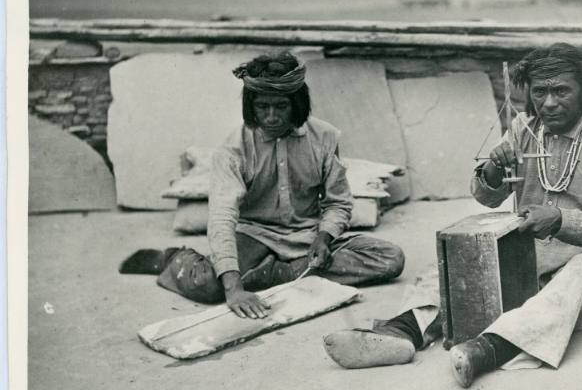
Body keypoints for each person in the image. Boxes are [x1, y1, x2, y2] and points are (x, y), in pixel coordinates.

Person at [323, 43, 582, 387]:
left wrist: (560, 219)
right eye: (540, 92)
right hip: (525, 258)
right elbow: (486, 198)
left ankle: (488, 349)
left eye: (561, 91)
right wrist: (493, 169)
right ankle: (403, 332)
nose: (548, 103)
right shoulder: (523, 129)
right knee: (449, 262)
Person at [119, 52, 405, 318]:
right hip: (254, 235)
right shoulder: (232, 150)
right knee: (208, 286)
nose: (271, 116)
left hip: (307, 237)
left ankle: (271, 274)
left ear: (298, 104)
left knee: (390, 259)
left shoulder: (325, 137)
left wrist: (324, 238)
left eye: (281, 106)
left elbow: (338, 202)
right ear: (250, 107)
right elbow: (221, 218)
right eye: (262, 107)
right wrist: (232, 289)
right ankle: (173, 258)